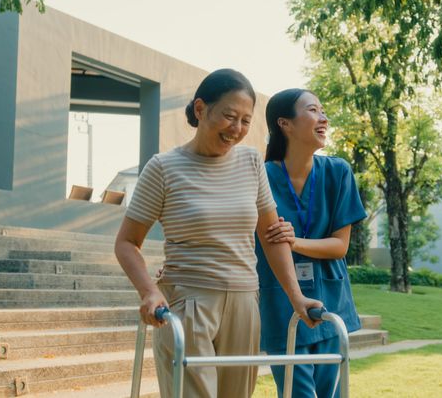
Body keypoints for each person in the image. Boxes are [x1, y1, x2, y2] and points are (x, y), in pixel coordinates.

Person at [114, 70, 323, 398]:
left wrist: (296, 297)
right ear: (200, 109)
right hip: (190, 302)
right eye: (229, 116)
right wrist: (149, 292)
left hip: (245, 301)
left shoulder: (252, 162)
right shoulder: (164, 168)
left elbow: (271, 235)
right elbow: (127, 242)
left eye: (245, 120)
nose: (236, 129)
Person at [256, 88, 366, 398]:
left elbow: (339, 246)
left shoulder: (338, 172)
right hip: (280, 302)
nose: (324, 118)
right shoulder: (261, 176)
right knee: (297, 394)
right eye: (313, 110)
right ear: (285, 124)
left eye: (322, 111)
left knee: (327, 393)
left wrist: (294, 241)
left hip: (331, 299)